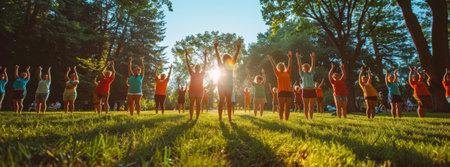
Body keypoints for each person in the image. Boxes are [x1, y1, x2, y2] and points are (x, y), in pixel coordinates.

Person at [213, 40, 241, 121]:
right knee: (223, 100)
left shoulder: (230, 65)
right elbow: (218, 56)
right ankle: (221, 118)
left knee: (227, 101)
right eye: (226, 58)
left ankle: (228, 118)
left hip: (228, 84)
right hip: (222, 84)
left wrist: (238, 49)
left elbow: (235, 56)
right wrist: (215, 48)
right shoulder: (221, 64)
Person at [267, 51, 293, 120]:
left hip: (288, 91)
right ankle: (281, 119)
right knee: (281, 107)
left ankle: (286, 120)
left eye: (282, 65)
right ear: (278, 67)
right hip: (281, 91)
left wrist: (290, 57)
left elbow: (290, 65)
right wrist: (271, 60)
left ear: (284, 67)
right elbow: (274, 66)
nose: (281, 66)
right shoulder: (277, 73)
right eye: (279, 66)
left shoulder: (287, 72)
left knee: (287, 108)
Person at [185, 49, 207, 120]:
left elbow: (205, 65)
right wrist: (186, 55)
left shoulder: (202, 74)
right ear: (195, 68)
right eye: (196, 67)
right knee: (191, 105)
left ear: (200, 68)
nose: (197, 68)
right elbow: (188, 64)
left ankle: (197, 118)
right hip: (192, 91)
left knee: (198, 105)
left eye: (198, 67)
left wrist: (205, 56)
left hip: (200, 91)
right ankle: (191, 118)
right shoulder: (192, 73)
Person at [296, 52, 317, 120]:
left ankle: (311, 118)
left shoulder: (311, 73)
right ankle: (307, 118)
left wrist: (313, 58)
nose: (306, 67)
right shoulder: (302, 74)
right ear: (303, 68)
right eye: (305, 67)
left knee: (311, 106)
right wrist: (298, 58)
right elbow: (299, 66)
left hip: (312, 90)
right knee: (306, 106)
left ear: (309, 67)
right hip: (305, 90)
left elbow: (313, 65)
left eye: (307, 66)